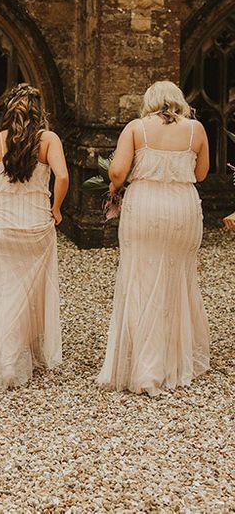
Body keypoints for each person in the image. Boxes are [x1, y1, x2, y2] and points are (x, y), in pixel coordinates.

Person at [97, 80, 210, 396]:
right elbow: (201, 174)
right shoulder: (196, 130)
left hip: (145, 205)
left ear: (150, 102)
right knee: (177, 278)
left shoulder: (136, 128)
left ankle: (146, 367)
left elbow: (117, 173)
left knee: (142, 279)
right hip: (183, 207)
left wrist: (123, 179)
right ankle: (174, 358)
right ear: (178, 102)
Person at [0, 83, 67, 389]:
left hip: (2, 227)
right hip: (37, 225)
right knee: (32, 291)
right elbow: (62, 176)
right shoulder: (48, 139)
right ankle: (21, 355)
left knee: (4, 289)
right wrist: (56, 208)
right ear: (40, 111)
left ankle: (9, 359)